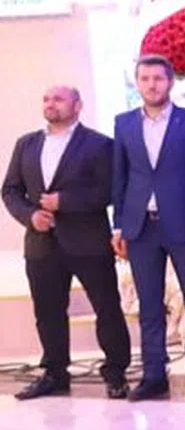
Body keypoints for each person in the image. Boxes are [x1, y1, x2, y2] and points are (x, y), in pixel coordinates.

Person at [2, 85, 131, 400]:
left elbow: (111, 191)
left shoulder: (100, 144)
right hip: (42, 243)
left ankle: (116, 373)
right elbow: (10, 190)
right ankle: (55, 373)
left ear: (77, 105)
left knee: (107, 309)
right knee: (48, 311)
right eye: (46, 99)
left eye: (58, 99)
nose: (50, 104)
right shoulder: (26, 144)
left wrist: (66, 202)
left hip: (88, 242)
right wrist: (30, 215)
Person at [111, 54, 185, 402]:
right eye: (145, 78)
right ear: (137, 83)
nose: (152, 84)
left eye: (158, 78)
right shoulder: (124, 123)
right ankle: (154, 374)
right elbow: (119, 179)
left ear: (170, 82)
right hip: (141, 227)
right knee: (150, 306)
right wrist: (118, 226)